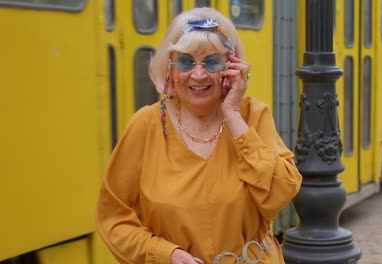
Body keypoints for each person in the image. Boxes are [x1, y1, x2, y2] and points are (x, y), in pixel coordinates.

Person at [96, 7, 302, 264]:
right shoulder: (146, 125)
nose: (198, 74)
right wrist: (164, 254)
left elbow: (280, 193)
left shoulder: (252, 115)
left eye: (212, 62)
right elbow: (113, 218)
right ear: (169, 68)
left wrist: (233, 115)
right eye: (185, 61)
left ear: (232, 66)